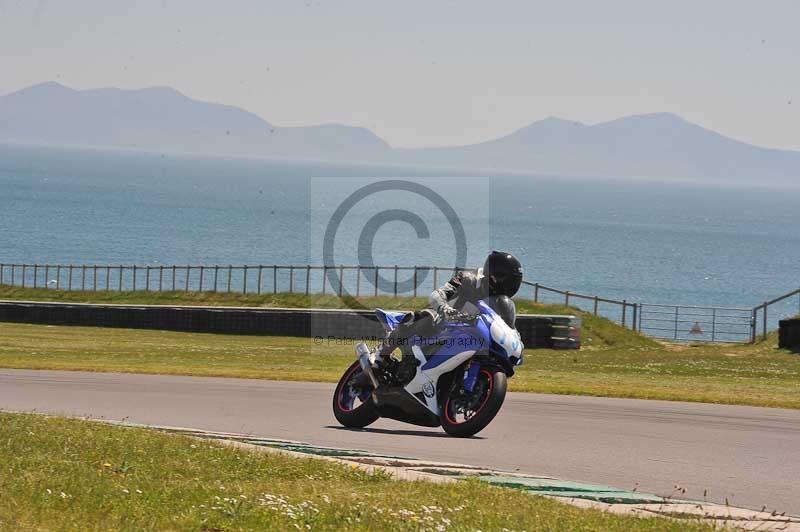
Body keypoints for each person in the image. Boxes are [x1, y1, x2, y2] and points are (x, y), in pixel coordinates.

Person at [373, 251, 524, 366]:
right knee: (426, 317)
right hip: (441, 324)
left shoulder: (500, 302)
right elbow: (437, 294)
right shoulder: (466, 278)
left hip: (466, 336)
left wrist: (516, 341)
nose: (513, 286)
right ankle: (380, 355)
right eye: (511, 281)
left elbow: (506, 327)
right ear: (495, 276)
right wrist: (444, 308)